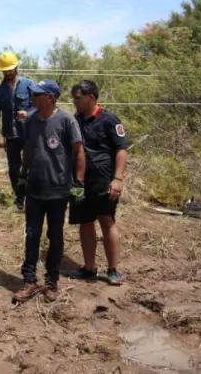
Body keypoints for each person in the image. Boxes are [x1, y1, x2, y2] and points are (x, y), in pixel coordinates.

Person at [13, 80, 86, 303]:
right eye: (33, 94)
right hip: (35, 189)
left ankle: (52, 281)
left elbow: (79, 151)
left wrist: (79, 183)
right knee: (31, 235)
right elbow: (28, 149)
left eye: (38, 94)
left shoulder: (66, 120)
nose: (34, 97)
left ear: (52, 98)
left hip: (58, 191)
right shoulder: (33, 119)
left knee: (55, 237)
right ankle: (29, 281)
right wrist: (23, 177)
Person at [68, 80, 129, 286]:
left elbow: (122, 149)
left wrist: (117, 179)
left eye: (78, 98)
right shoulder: (75, 120)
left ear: (91, 97)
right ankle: (89, 268)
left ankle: (113, 270)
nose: (75, 102)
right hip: (80, 182)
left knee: (106, 221)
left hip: (104, 181)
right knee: (85, 223)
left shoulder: (109, 120)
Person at [0, 51, 35, 211]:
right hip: (10, 134)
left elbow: (38, 105)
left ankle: (33, 196)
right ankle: (20, 198)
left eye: (10, 70)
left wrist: (29, 113)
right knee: (14, 168)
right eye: (5, 70)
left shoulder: (28, 84)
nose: (7, 73)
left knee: (31, 165)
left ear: (16, 67)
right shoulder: (0, 90)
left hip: (28, 133)